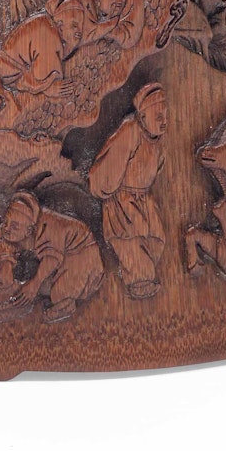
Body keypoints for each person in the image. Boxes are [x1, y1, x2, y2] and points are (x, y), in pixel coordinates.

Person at [88, 83, 168, 299]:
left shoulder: (157, 140)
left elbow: (157, 166)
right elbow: (107, 171)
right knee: (130, 242)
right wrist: (114, 193)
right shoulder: (129, 131)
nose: (163, 120)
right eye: (157, 115)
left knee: (156, 240)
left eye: (165, 114)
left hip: (143, 199)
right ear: (143, 116)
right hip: (122, 201)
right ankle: (140, 284)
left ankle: (144, 278)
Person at [0, 191, 104, 323]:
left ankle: (66, 306)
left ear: (29, 231)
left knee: (59, 292)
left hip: (82, 253)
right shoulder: (10, 225)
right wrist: (6, 269)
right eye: (5, 223)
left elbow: (51, 259)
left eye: (14, 226)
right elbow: (3, 245)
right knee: (39, 286)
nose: (7, 228)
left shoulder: (49, 226)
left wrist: (34, 284)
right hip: (61, 259)